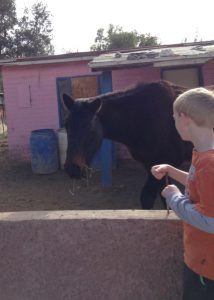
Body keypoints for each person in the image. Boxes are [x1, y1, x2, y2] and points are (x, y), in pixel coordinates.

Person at [151, 87, 214, 300]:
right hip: (202, 260)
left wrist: (174, 197)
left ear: (185, 118)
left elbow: (210, 220)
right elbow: (201, 186)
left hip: (206, 268)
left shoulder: (209, 164)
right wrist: (171, 170)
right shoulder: (204, 154)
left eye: (174, 117)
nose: (174, 122)